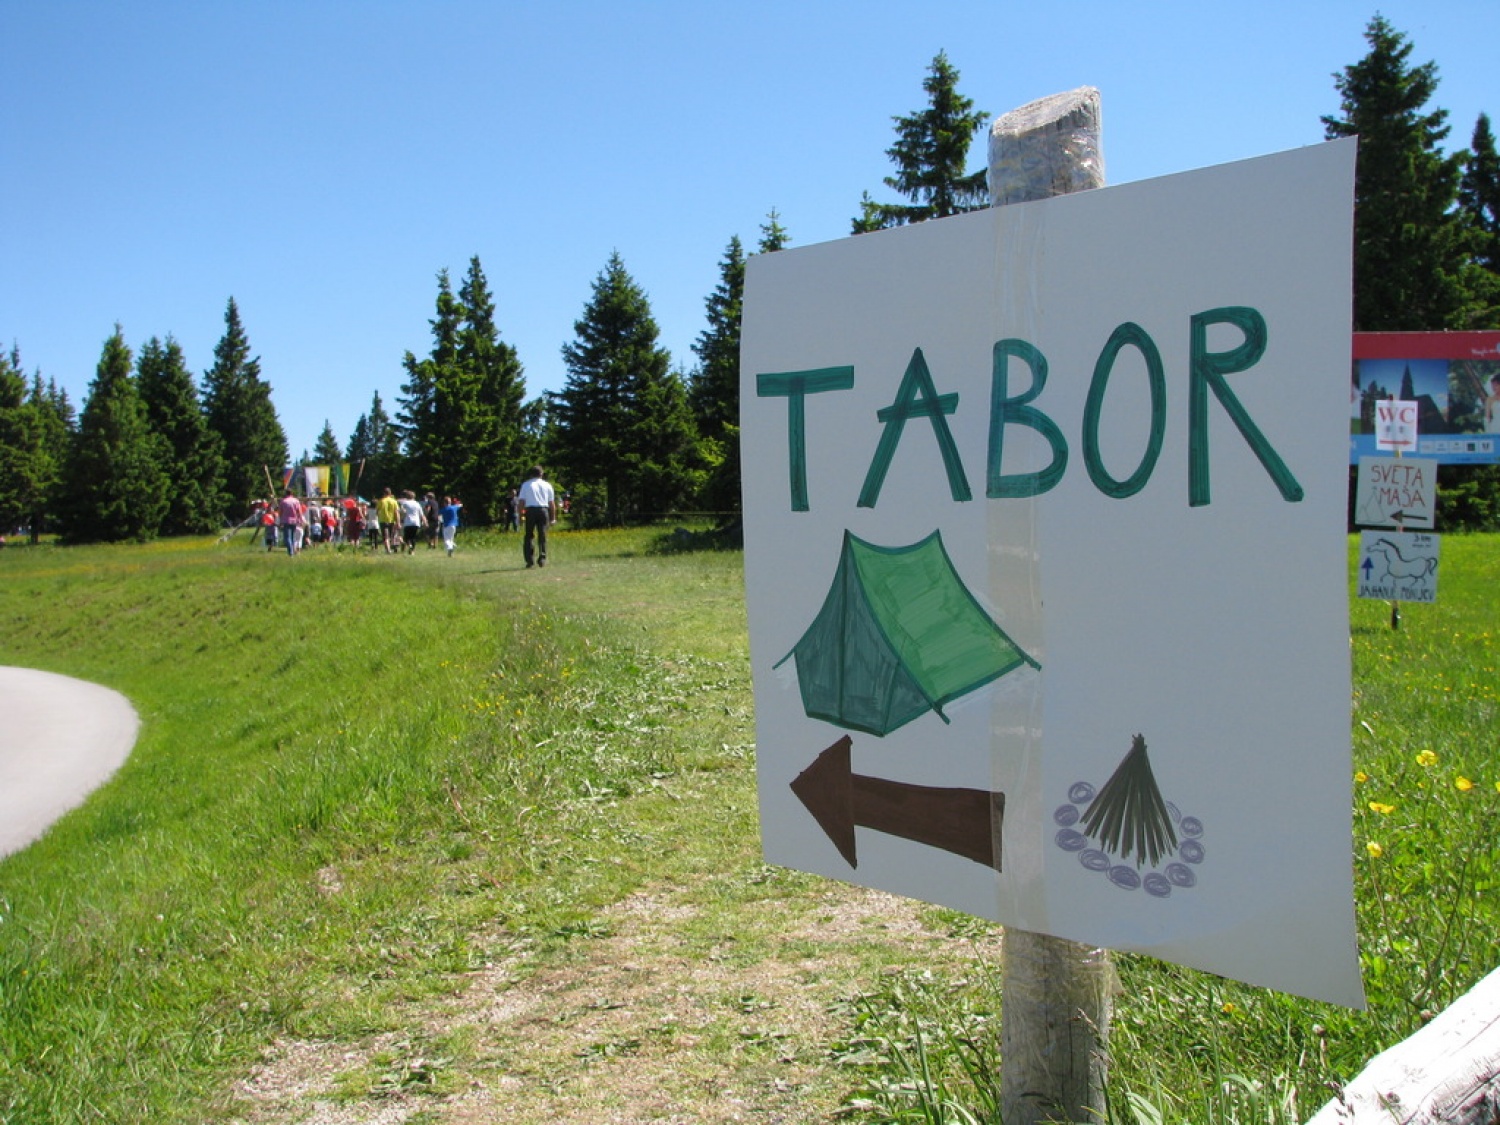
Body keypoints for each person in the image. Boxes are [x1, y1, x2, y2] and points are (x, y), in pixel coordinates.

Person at [518, 465, 557, 568]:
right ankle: (542, 558)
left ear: (531, 474)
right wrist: (553, 518)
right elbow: (552, 503)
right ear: (541, 474)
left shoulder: (526, 485)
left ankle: (530, 560)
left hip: (530, 511)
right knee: (542, 535)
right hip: (543, 510)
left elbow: (521, 502)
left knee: (529, 535)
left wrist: (521, 517)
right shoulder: (547, 485)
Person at [277, 488, 305, 557]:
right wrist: (300, 520)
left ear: (286, 493)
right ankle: (292, 550)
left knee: (287, 537)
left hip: (286, 521)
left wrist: (280, 520)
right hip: (294, 520)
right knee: (292, 537)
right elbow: (299, 511)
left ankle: (291, 552)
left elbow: (280, 512)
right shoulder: (296, 501)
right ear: (292, 493)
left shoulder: (283, 501)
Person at [398, 489, 426, 554]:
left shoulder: (405, 503)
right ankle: (412, 551)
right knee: (413, 537)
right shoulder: (417, 503)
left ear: (407, 496)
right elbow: (421, 514)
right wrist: (425, 522)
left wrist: (401, 517)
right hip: (416, 522)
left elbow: (401, 511)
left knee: (406, 537)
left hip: (408, 522)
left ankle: (409, 545)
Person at [376, 488, 401, 554]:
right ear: (390, 493)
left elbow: (377, 511)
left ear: (384, 493)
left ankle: (388, 550)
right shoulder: (394, 501)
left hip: (383, 520)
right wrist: (398, 522)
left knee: (385, 537)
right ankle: (393, 547)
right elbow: (397, 512)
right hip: (392, 521)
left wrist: (378, 516)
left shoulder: (381, 501)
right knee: (391, 536)